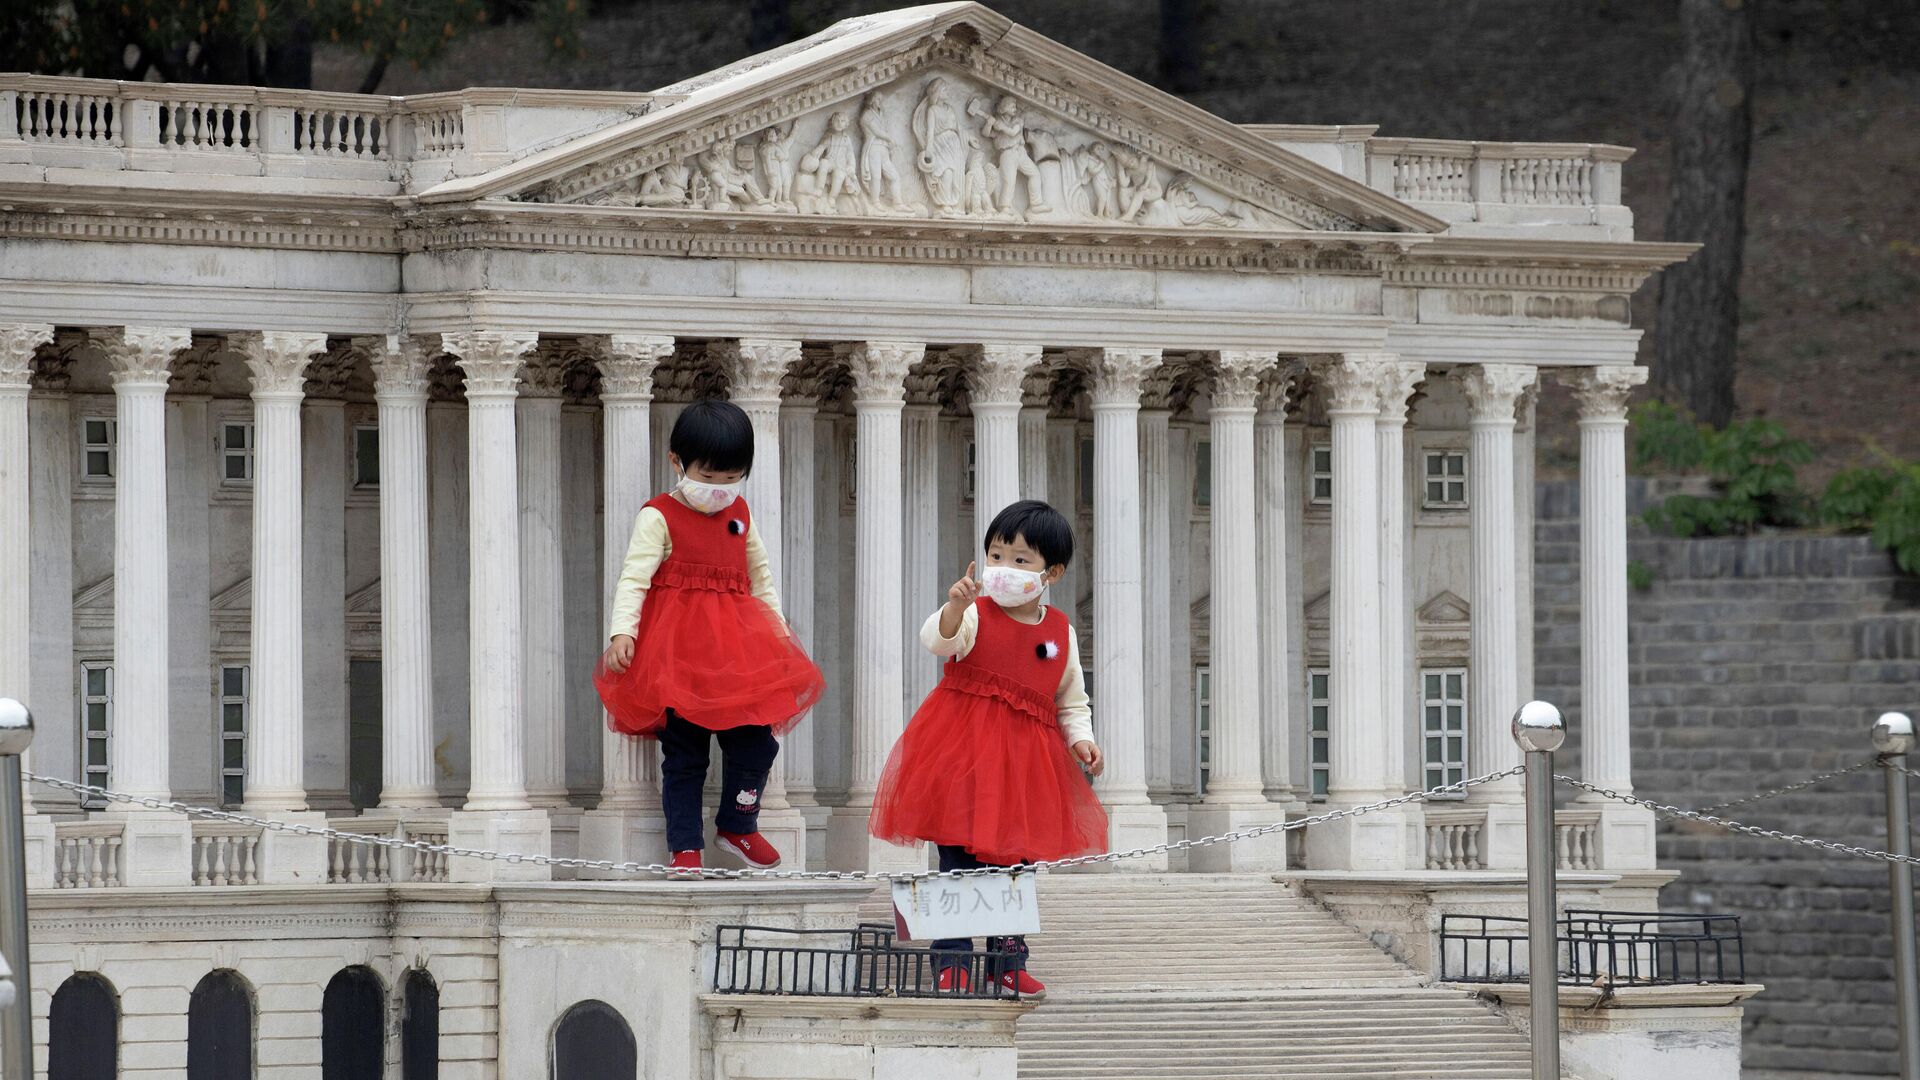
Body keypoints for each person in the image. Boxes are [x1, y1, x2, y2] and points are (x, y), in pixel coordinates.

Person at [869, 500, 1109, 998]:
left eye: (1020, 560)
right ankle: (952, 961)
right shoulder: (976, 613)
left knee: (1014, 867)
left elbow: (1071, 698)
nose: (1004, 569)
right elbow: (938, 640)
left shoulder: (1059, 630)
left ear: (1052, 572)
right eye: (996, 555)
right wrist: (955, 605)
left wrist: (1081, 738)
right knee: (956, 862)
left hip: (1023, 768)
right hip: (961, 757)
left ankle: (1007, 962)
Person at [594, 399, 824, 871]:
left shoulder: (739, 514)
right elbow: (634, 577)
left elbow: (760, 576)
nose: (719, 489)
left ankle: (739, 823)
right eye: (709, 477)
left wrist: (777, 633)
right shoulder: (658, 515)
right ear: (676, 462)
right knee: (685, 754)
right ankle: (685, 846)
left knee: (757, 742)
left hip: (739, 653)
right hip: (679, 657)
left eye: (730, 478)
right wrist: (623, 632)